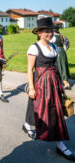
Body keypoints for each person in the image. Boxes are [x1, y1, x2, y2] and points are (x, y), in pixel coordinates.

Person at [26, 17, 75, 161]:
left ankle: (60, 145)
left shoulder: (53, 47)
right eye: (46, 31)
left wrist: (62, 81)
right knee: (45, 112)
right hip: (42, 83)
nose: (50, 33)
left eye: (51, 31)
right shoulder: (34, 47)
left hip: (54, 82)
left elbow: (58, 65)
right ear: (39, 33)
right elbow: (29, 69)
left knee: (57, 112)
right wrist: (31, 88)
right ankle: (30, 125)